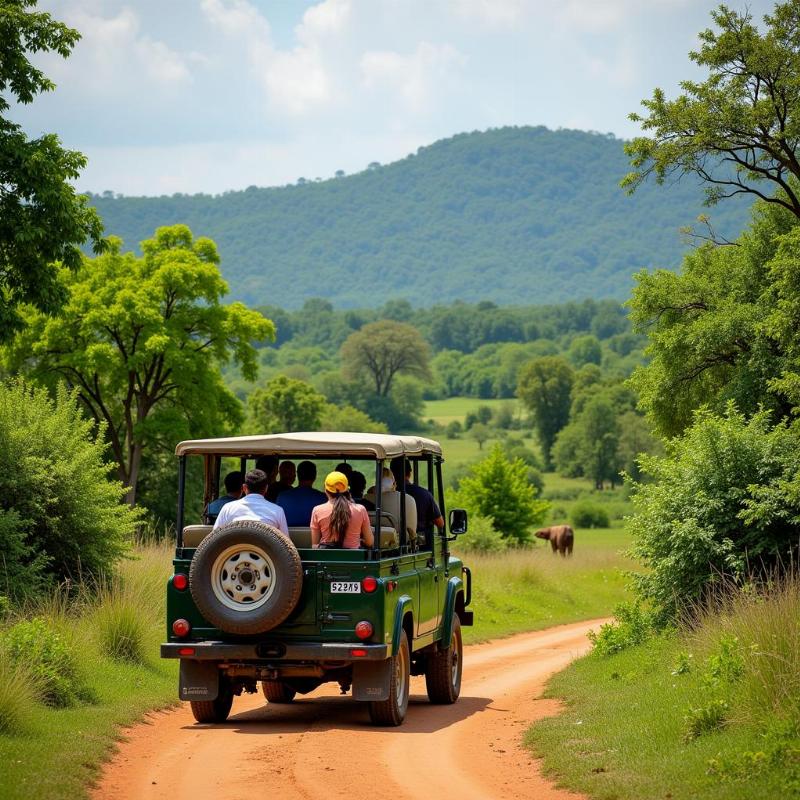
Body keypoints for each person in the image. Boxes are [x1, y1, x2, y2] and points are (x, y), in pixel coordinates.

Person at [212, 468, 289, 535]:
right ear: (266, 488)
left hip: (235, 551)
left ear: (244, 487)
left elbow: (214, 537)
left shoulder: (227, 508)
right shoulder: (277, 511)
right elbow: (285, 543)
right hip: (265, 551)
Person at [310, 471, 374, 549]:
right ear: (347, 489)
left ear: (326, 490)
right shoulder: (360, 509)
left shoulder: (317, 510)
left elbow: (314, 545)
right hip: (354, 559)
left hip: (326, 559)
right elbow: (370, 542)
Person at [391, 457, 444, 539]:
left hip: (390, 541)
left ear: (392, 474)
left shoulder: (383, 496)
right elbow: (440, 523)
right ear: (409, 473)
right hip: (420, 544)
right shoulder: (424, 494)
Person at [366, 467, 417, 541]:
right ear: (393, 482)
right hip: (400, 542)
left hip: (370, 539)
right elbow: (411, 532)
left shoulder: (367, 498)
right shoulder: (408, 500)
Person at [277, 460, 327, 526]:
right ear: (314, 476)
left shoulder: (282, 497)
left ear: (297, 475)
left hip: (285, 536)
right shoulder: (323, 499)